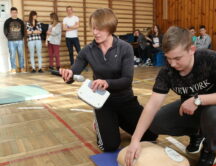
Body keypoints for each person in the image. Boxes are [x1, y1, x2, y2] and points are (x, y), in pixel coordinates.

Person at [125, 26, 216, 166]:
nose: (173, 64)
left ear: (191, 49)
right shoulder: (168, 70)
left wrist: (198, 99)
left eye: (177, 58)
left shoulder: (211, 59)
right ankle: (196, 133)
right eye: (168, 58)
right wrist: (135, 140)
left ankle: (209, 150)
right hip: (191, 108)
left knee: (214, 115)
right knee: (155, 123)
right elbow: (152, 105)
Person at [60, 8, 157, 151]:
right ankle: (103, 121)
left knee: (151, 135)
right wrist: (68, 74)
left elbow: (127, 80)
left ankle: (117, 120)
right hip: (103, 103)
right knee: (109, 146)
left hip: (126, 100)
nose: (95, 32)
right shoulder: (87, 50)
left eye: (100, 28)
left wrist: (107, 82)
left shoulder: (125, 48)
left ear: (110, 28)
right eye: (93, 28)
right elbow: (74, 71)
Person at [4, 7, 25, 73]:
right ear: (11, 13)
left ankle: (22, 68)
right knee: (12, 55)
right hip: (11, 41)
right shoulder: (7, 21)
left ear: (17, 13)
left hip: (20, 40)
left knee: (21, 54)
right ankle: (13, 68)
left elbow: (23, 30)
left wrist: (22, 37)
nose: (14, 14)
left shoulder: (20, 21)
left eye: (15, 12)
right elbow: (5, 30)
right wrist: (8, 37)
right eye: (12, 13)